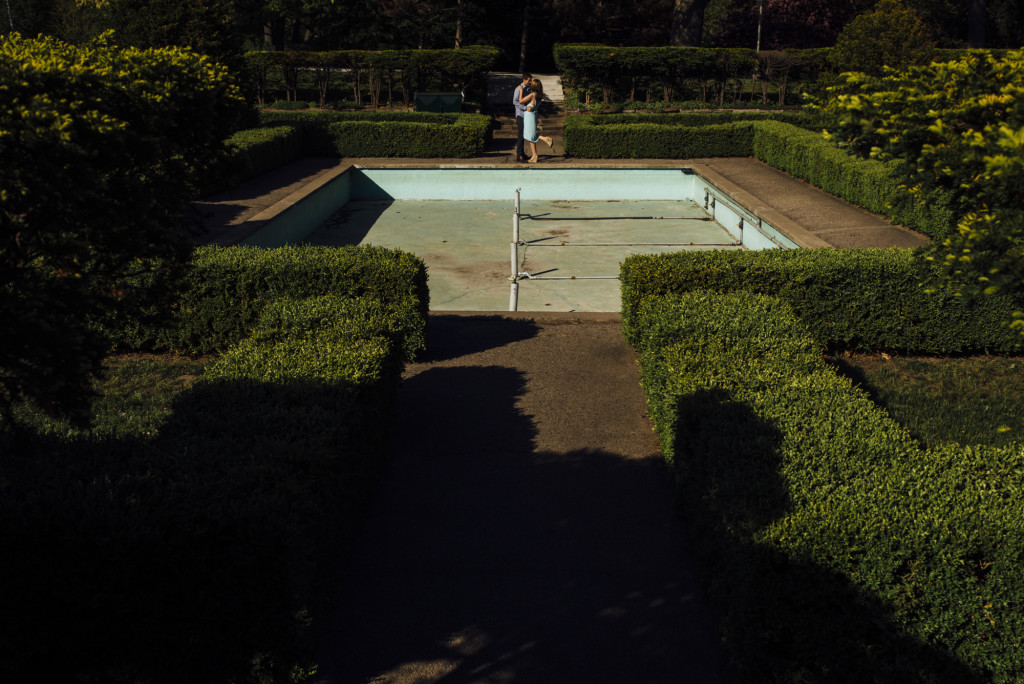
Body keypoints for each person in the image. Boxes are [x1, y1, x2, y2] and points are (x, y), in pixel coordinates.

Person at [521, 78, 553, 163]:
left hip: (530, 116)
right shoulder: (539, 95)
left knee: (530, 136)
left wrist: (521, 90)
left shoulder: (532, 95)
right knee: (531, 135)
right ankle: (534, 155)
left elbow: (521, 101)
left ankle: (545, 139)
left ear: (534, 86)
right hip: (533, 114)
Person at [513, 73, 532, 162]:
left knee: (524, 134)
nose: (530, 82)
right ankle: (519, 154)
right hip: (520, 114)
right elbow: (515, 102)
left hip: (527, 115)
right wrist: (525, 108)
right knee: (521, 134)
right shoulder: (518, 89)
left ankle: (522, 154)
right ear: (524, 79)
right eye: (529, 80)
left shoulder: (528, 89)